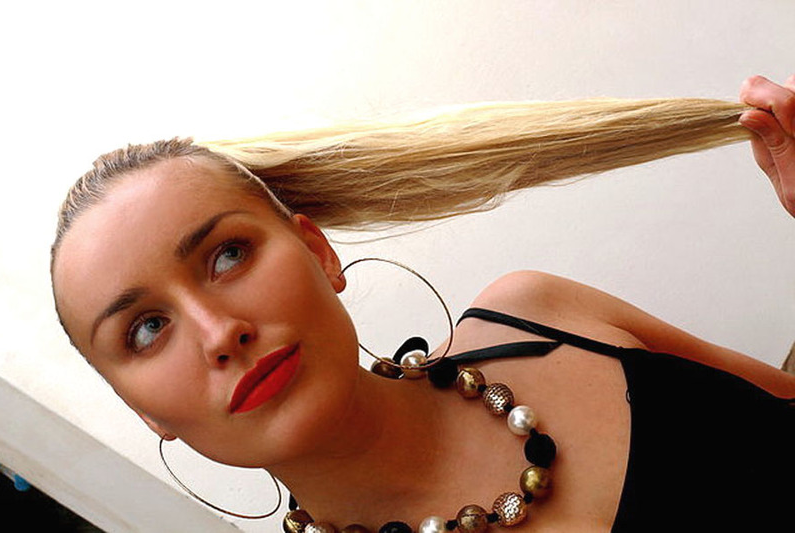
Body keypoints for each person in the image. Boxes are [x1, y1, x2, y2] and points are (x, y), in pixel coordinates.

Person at [50, 75, 795, 532]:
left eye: (227, 255)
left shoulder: (543, 316)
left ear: (318, 251)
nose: (220, 332)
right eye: (146, 329)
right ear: (142, 411)